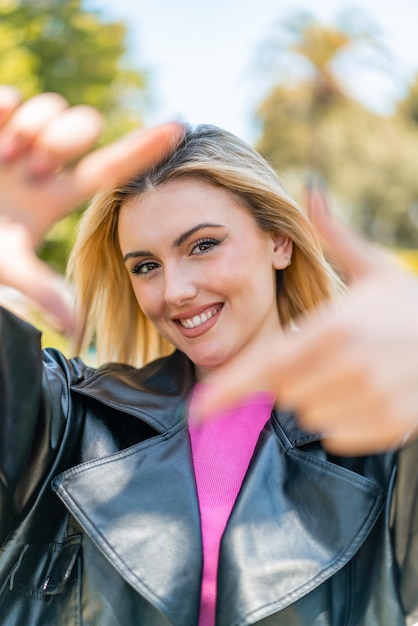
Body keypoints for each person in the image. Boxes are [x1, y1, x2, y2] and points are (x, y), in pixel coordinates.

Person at [0, 87, 417, 626]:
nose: (175, 291)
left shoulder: (380, 427)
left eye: (203, 245)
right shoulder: (66, 420)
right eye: (145, 265)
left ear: (280, 243)